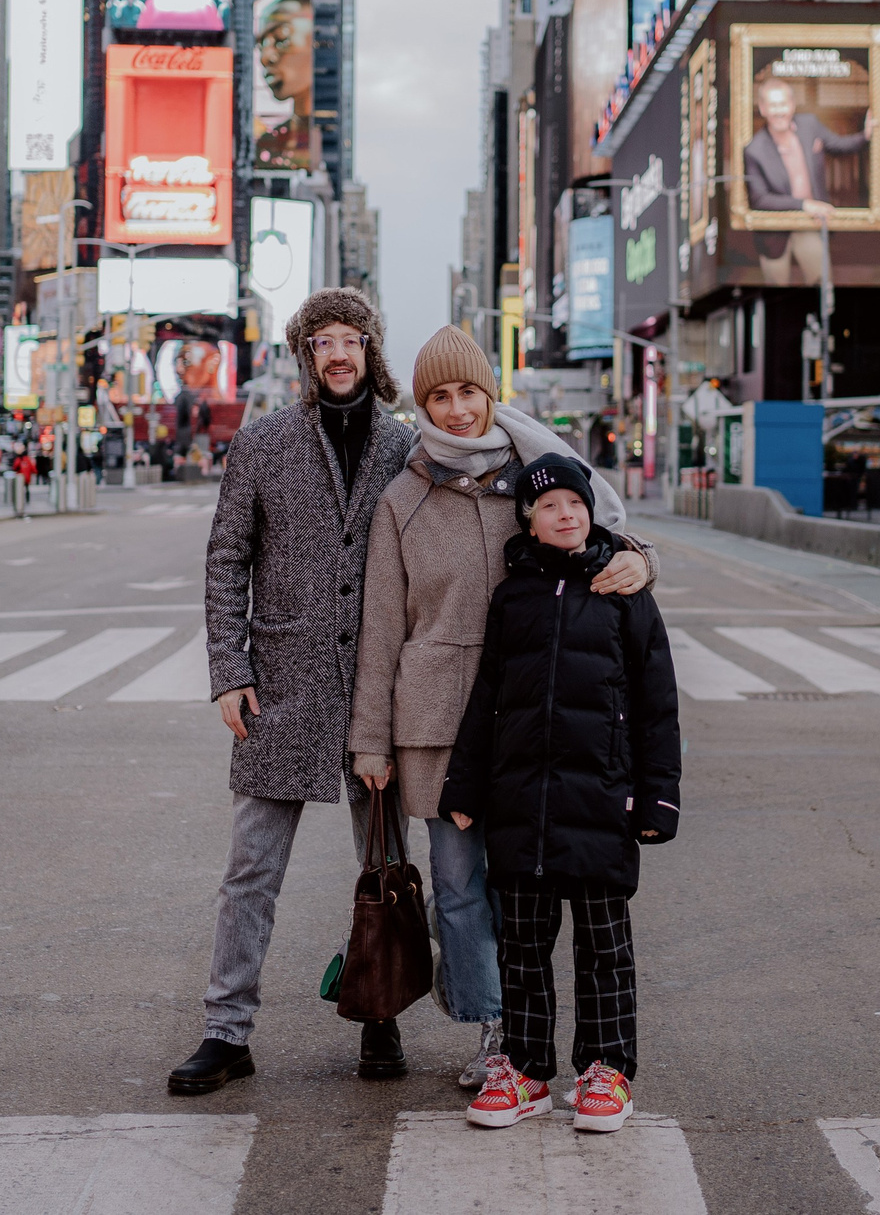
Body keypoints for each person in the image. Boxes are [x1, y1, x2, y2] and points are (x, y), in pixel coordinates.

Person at [350, 327, 654, 1092]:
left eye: (469, 392)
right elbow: (381, 627)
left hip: (528, 723)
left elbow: (603, 539)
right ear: (422, 406)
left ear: (491, 395)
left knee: (519, 890)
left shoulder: (533, 476)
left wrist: (643, 561)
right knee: (457, 887)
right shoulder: (401, 500)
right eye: (439, 397)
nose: (457, 410)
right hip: (433, 724)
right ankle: (493, 1030)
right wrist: (371, 740)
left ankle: (527, 1032)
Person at [168, 290, 420, 1097]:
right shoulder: (264, 441)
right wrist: (230, 669)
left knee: (384, 864)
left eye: (351, 338)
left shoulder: (406, 447)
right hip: (281, 686)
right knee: (250, 870)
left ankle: (381, 1014)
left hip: (375, 692)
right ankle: (225, 1029)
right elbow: (226, 558)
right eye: (323, 341)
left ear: (371, 349)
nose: (338, 353)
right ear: (306, 354)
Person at [443, 453, 680, 1136]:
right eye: (549, 506)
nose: (565, 514)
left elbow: (657, 703)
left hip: (604, 802)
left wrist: (658, 798)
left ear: (591, 511)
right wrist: (465, 783)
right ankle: (524, 1070)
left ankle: (606, 1070)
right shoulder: (512, 597)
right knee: (522, 947)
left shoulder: (624, 590)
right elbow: (487, 698)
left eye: (575, 502)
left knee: (605, 950)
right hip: (522, 804)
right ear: (530, 522)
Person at [741, 76, 872, 287]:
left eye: (783, 104)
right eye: (773, 105)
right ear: (763, 109)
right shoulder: (754, 150)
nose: (779, 111)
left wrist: (866, 136)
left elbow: (839, 145)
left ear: (792, 105)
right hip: (774, 232)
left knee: (822, 283)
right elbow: (760, 199)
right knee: (776, 288)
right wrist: (804, 204)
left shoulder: (810, 125)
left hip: (810, 223)